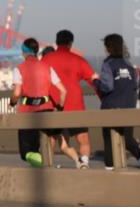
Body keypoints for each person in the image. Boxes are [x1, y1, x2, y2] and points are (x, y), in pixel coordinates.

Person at [95, 33, 140, 171]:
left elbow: (107, 86)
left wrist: (96, 81)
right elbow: (134, 85)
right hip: (128, 106)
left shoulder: (107, 64)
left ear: (108, 47)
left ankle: (109, 168)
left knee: (109, 140)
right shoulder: (129, 65)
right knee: (127, 138)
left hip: (111, 107)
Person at [42, 29, 99, 169]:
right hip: (75, 105)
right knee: (83, 139)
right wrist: (103, 96)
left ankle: (47, 166)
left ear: (56, 42)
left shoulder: (46, 60)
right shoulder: (78, 60)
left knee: (51, 139)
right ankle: (84, 163)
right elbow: (94, 80)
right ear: (70, 43)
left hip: (54, 105)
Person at [10, 38, 67, 167]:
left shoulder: (19, 69)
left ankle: (44, 164)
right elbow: (63, 91)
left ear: (24, 52)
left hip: (27, 113)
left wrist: (12, 103)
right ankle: (45, 164)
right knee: (42, 145)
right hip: (46, 110)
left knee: (26, 152)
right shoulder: (48, 68)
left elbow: (17, 93)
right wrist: (59, 108)